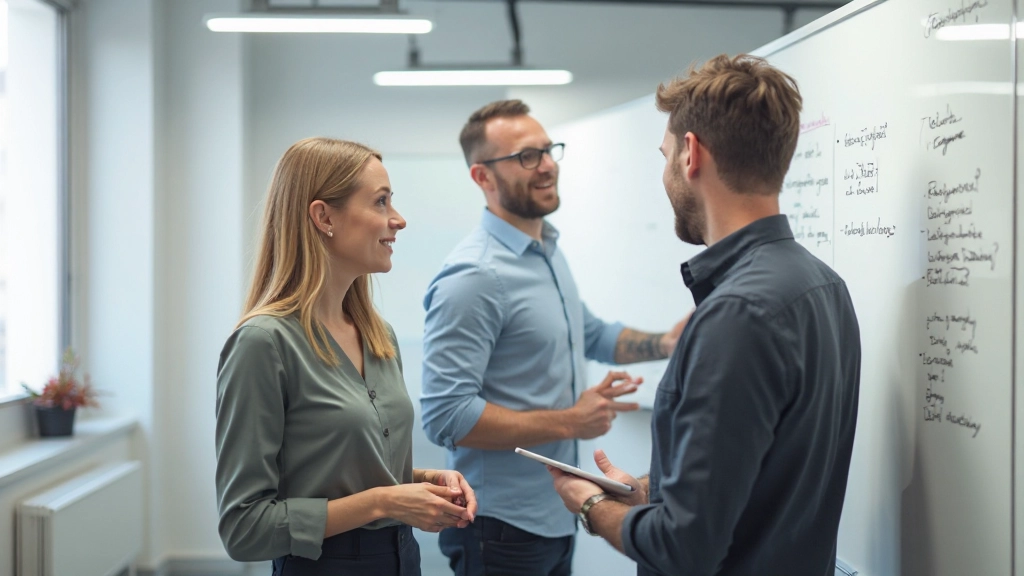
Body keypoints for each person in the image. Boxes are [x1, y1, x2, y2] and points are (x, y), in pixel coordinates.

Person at [547, 54, 862, 576]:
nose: (666, 172)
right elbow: (762, 469)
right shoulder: (824, 285)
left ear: (690, 154)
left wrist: (590, 505)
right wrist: (646, 489)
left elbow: (683, 548)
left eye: (665, 154)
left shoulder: (738, 315)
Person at [420, 100, 688, 576]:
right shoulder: (474, 276)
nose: (547, 165)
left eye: (548, 150)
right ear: (482, 177)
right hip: (498, 526)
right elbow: (447, 415)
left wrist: (664, 343)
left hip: (553, 518)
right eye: (527, 156)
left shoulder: (544, 248)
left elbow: (589, 333)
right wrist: (570, 422)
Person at [215, 137, 478, 576]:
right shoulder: (263, 343)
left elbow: (338, 471)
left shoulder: (380, 337)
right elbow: (244, 528)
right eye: (381, 202)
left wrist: (420, 483)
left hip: (402, 559)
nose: (399, 220)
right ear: (324, 217)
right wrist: (384, 501)